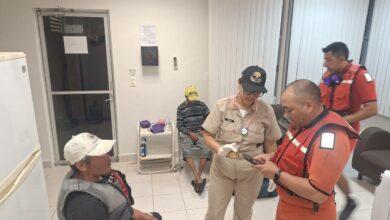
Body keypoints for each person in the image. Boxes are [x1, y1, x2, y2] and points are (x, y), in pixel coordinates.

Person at [254, 79, 359, 220]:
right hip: (287, 205)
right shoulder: (301, 120)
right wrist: (272, 157)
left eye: (289, 109)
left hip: (309, 214)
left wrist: (276, 173)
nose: (285, 115)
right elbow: (294, 152)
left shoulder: (330, 139)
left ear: (308, 105)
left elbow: (318, 193)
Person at [202, 66, 282, 220]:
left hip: (251, 170)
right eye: (248, 91)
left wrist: (274, 167)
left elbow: (271, 143)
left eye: (256, 93)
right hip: (222, 168)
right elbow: (207, 135)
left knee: (244, 214)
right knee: (214, 214)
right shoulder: (222, 106)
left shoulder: (266, 111)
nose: (251, 96)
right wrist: (219, 149)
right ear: (239, 84)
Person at [320, 42, 378, 219]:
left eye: (328, 60)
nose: (324, 64)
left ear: (341, 58)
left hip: (346, 130)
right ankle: (324, 198)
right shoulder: (330, 74)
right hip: (326, 126)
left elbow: (372, 109)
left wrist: (341, 121)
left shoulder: (360, 76)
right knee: (322, 163)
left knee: (332, 167)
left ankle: (348, 199)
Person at [57, 132, 162, 220]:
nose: (109, 158)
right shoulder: (85, 206)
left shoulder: (89, 176)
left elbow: (122, 208)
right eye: (101, 155)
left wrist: (149, 218)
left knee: (156, 216)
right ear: (82, 165)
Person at [177, 85, 210, 194]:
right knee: (186, 150)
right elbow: (179, 125)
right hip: (188, 133)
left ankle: (198, 177)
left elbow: (209, 119)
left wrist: (204, 130)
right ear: (186, 97)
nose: (193, 102)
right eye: (190, 99)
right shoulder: (181, 108)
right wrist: (189, 133)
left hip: (200, 132)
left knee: (206, 149)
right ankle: (198, 177)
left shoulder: (202, 105)